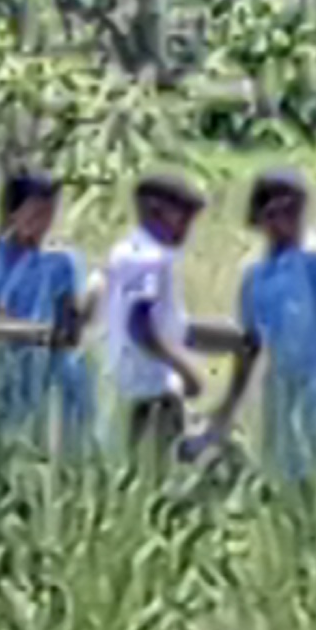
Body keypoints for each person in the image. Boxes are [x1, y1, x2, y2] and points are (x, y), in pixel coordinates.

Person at [216, 168, 316, 482]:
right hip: (283, 386)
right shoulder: (255, 275)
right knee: (287, 470)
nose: (287, 221)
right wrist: (228, 409)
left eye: (294, 210)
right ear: (259, 219)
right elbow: (251, 345)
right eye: (275, 213)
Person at [0, 170, 97, 459]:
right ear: (13, 212)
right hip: (6, 367)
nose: (42, 225)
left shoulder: (60, 262)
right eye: (35, 214)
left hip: (50, 371)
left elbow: (70, 329)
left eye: (48, 215)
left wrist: (83, 312)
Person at [98, 174, 215, 460]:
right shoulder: (150, 259)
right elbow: (140, 326)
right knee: (162, 474)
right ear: (154, 210)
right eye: (182, 216)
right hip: (152, 391)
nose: (187, 228)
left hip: (126, 388)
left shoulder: (124, 253)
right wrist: (187, 369)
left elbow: (169, 325)